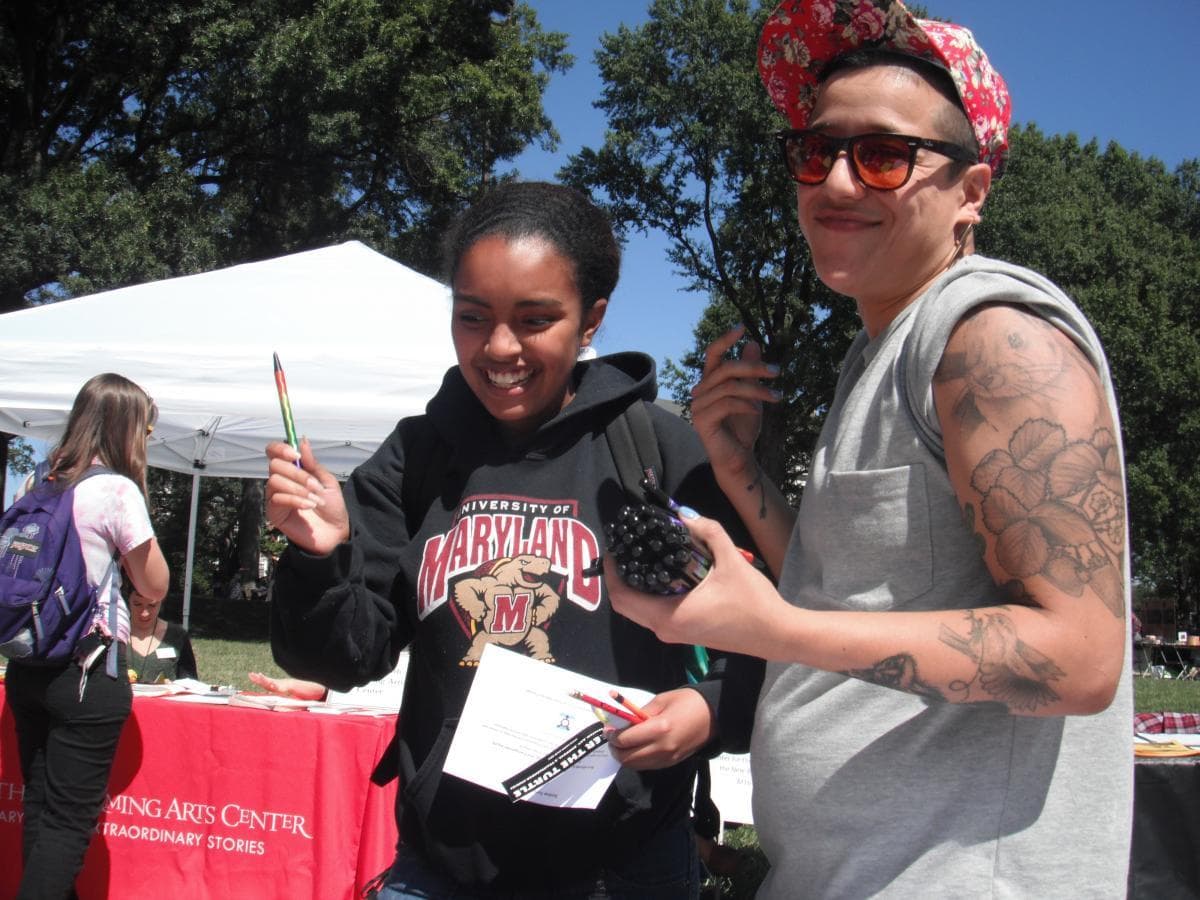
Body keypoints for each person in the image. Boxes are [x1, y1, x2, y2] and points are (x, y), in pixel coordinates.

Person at [605, 3, 1133, 897]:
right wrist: (740, 473)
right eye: (817, 152)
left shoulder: (992, 337)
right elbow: (851, 586)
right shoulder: (879, 349)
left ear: (972, 190)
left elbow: (1080, 658)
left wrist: (770, 630)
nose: (838, 183)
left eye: (883, 156)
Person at [265, 180, 761, 898]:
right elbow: (344, 658)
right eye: (472, 318)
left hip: (622, 871)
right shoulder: (415, 459)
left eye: (535, 320)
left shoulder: (659, 450)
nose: (500, 348)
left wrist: (711, 707)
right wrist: (318, 561)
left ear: (590, 321)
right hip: (441, 871)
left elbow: (771, 638)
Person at [5, 373, 169, 899]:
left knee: (41, 808)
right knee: (67, 825)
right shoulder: (116, 490)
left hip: (27, 665)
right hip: (87, 669)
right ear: (126, 428)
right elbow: (155, 580)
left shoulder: (40, 480)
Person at [127, 589, 197, 683]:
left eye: (152, 605)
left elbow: (191, 684)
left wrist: (174, 687)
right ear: (128, 601)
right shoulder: (112, 634)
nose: (144, 613)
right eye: (137, 604)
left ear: (162, 601)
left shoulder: (177, 636)